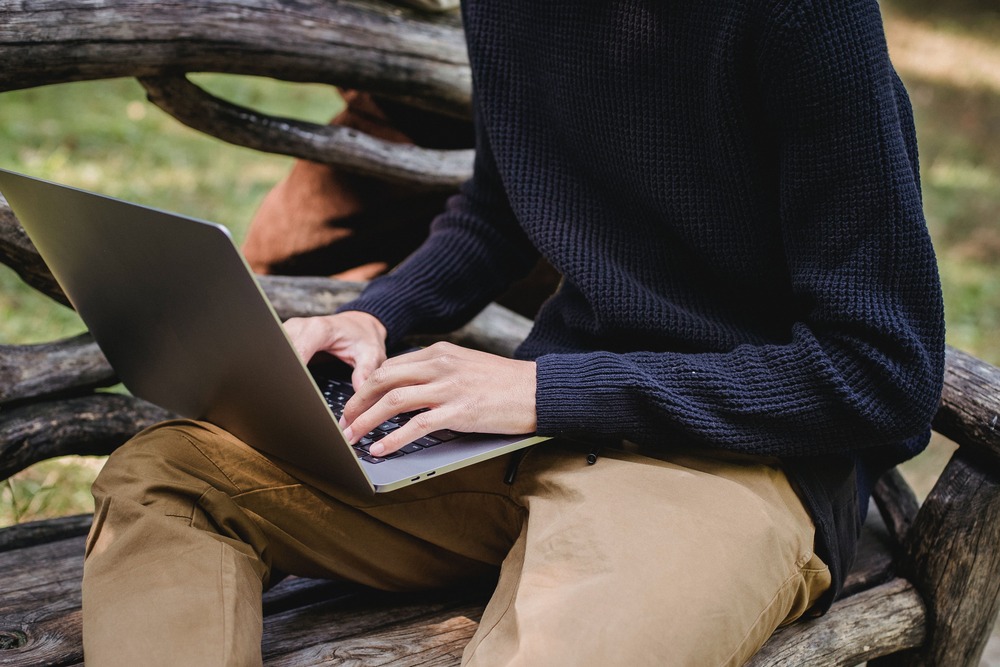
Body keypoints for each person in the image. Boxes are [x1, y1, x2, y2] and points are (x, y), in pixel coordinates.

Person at [81, 0, 946, 665]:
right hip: (530, 433)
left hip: (730, 465)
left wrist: (540, 389)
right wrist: (374, 315)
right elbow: (498, 213)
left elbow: (883, 376)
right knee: (171, 476)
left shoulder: (806, 19)